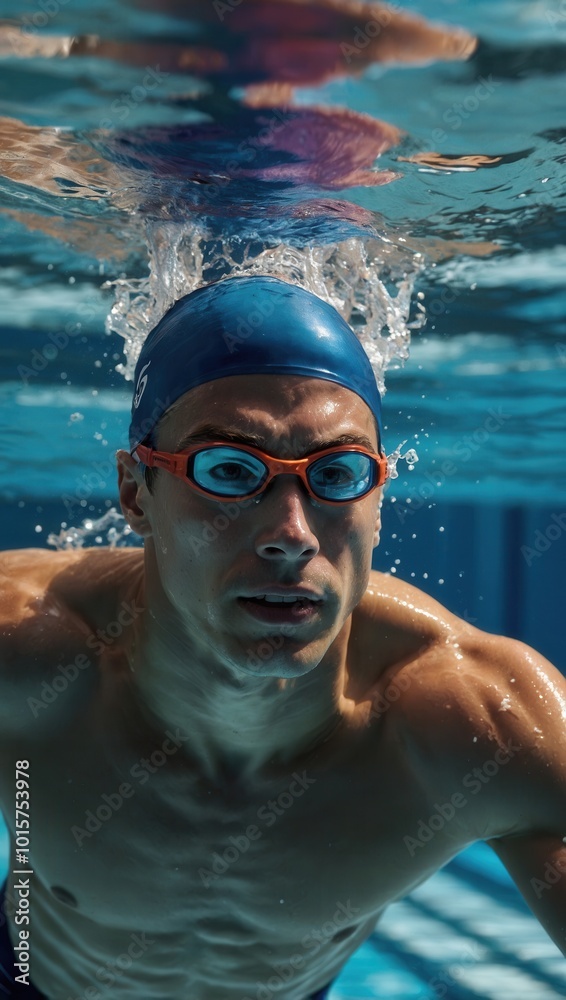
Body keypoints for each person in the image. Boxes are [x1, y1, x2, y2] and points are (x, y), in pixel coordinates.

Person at [0, 275, 564, 999]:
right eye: (230, 471)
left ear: (380, 499)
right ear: (136, 493)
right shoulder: (27, 651)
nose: (292, 534)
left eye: (337, 473)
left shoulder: (477, 723)